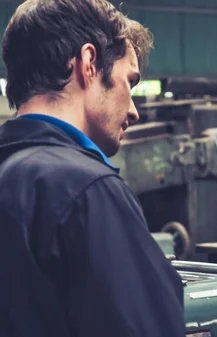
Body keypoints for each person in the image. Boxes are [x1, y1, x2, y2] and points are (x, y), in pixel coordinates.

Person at [0, 1, 185, 336]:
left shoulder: (12, 175)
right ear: (89, 64)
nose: (133, 111)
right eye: (129, 82)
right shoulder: (84, 189)